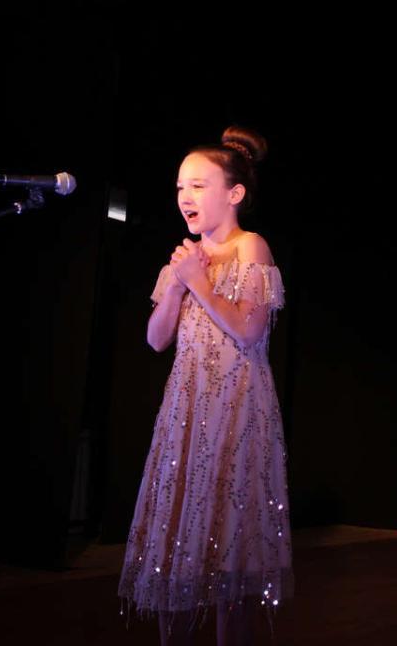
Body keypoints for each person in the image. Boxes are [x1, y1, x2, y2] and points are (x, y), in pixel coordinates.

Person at [118, 126, 293, 646]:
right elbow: (156, 339)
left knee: (229, 536)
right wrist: (177, 286)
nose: (185, 197)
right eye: (180, 187)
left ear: (233, 193)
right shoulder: (185, 257)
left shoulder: (249, 247)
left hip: (236, 408)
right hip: (187, 407)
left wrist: (198, 282)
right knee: (181, 535)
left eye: (198, 185)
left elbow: (249, 330)